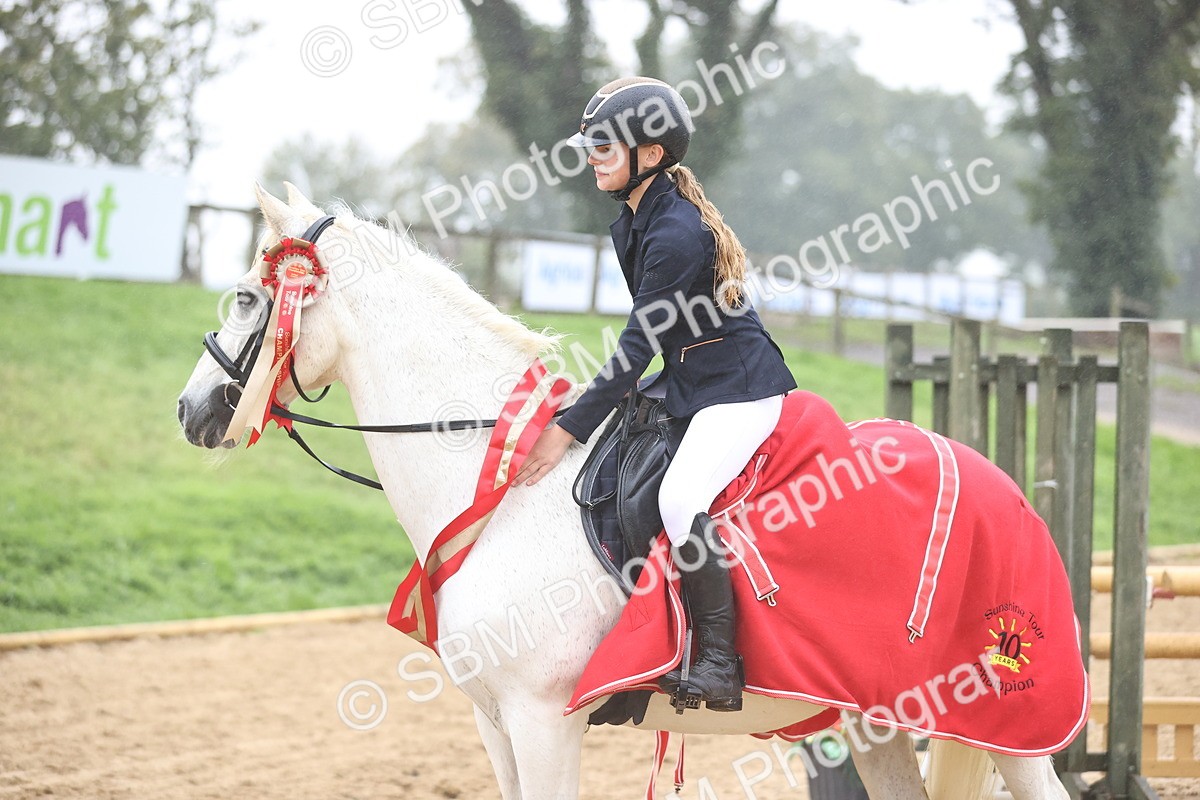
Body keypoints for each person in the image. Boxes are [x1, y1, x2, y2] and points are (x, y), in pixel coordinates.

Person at [513, 77, 797, 711]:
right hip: (693, 381)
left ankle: (721, 663)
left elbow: (638, 347)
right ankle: (640, 641)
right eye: (591, 147)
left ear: (651, 153)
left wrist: (566, 428)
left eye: (605, 148)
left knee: (678, 497)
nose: (592, 158)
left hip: (737, 390)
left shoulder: (674, 234)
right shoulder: (636, 219)